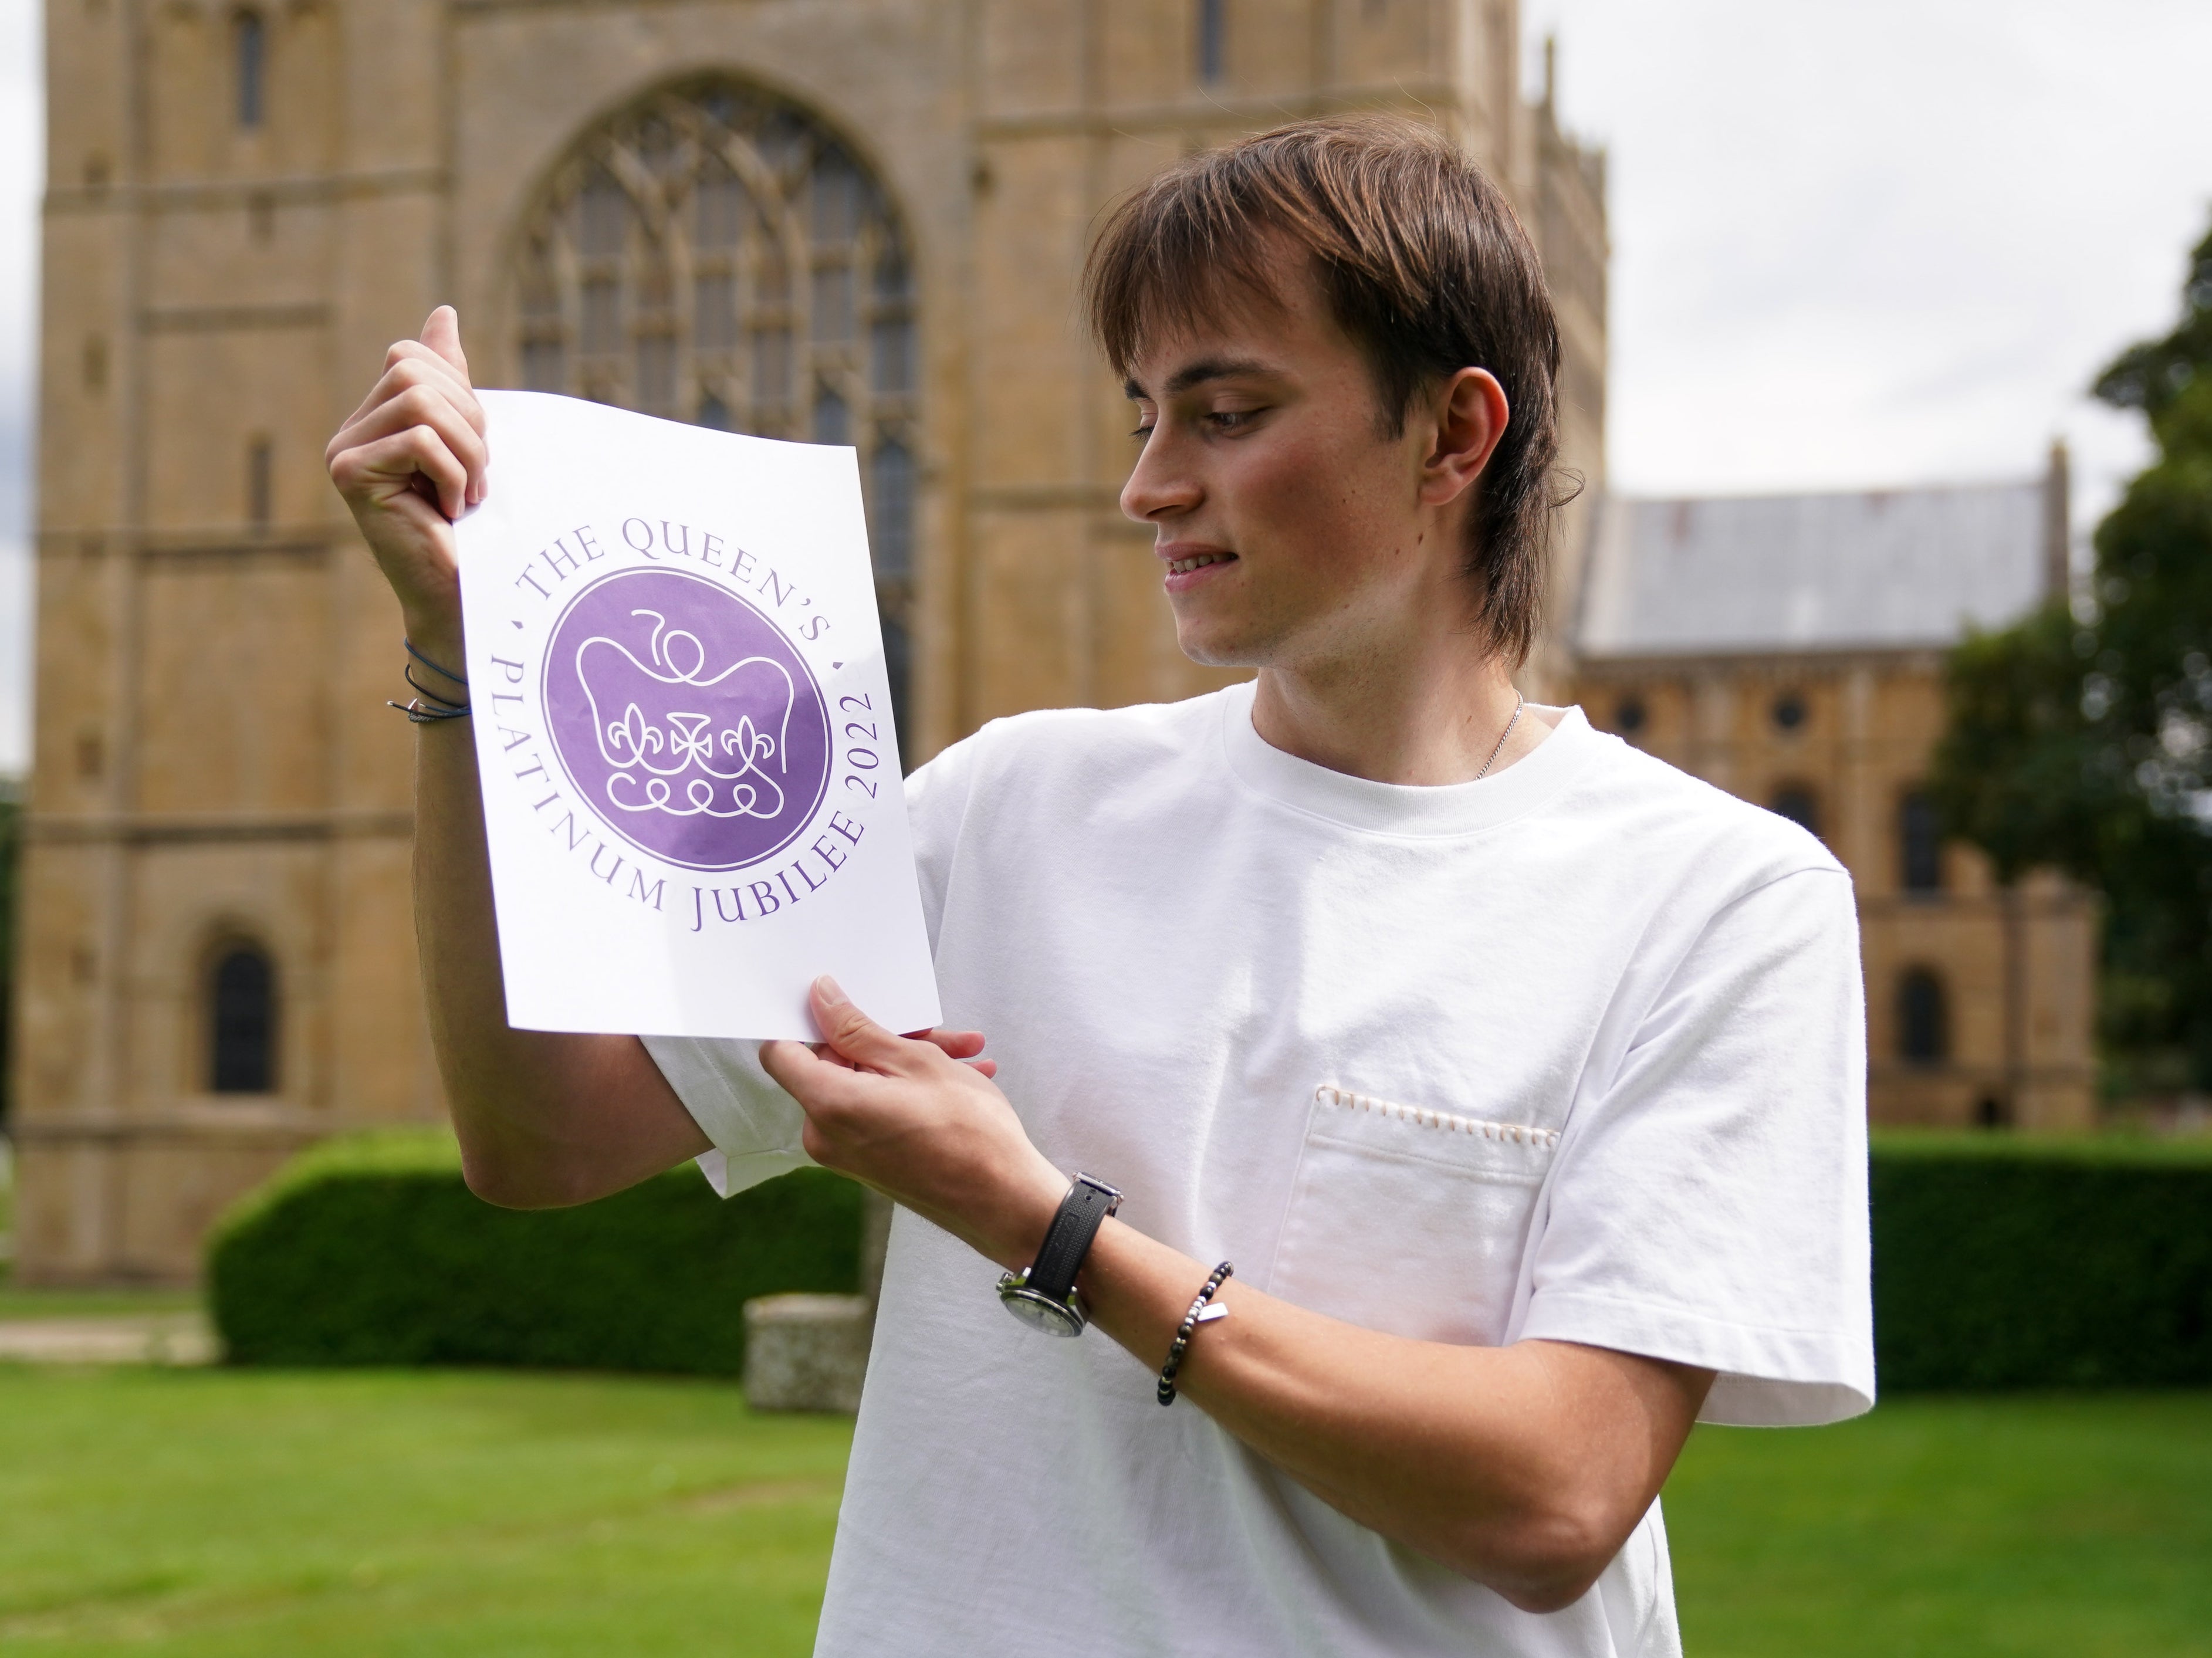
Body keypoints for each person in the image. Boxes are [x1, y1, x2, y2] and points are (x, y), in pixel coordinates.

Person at [328, 117, 1872, 1656]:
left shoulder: (1719, 901)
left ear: (1453, 435)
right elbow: (544, 1135)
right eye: (1143, 413)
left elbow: (1554, 1494)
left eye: (1225, 413)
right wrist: (468, 672)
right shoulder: (1008, 805)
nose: (1147, 485)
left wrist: (1037, 1220)